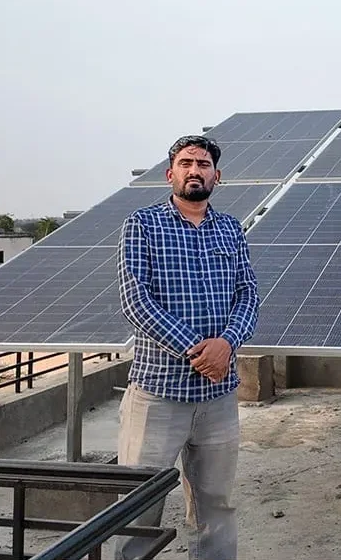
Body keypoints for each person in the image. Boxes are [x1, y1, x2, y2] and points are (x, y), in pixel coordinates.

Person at [115, 134, 259, 560]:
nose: (195, 170)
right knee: (139, 506)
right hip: (158, 394)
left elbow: (248, 294)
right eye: (186, 163)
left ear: (217, 175)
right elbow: (135, 300)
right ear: (170, 174)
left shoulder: (231, 228)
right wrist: (199, 351)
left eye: (203, 164)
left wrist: (227, 344)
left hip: (218, 397)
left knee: (216, 506)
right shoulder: (143, 225)